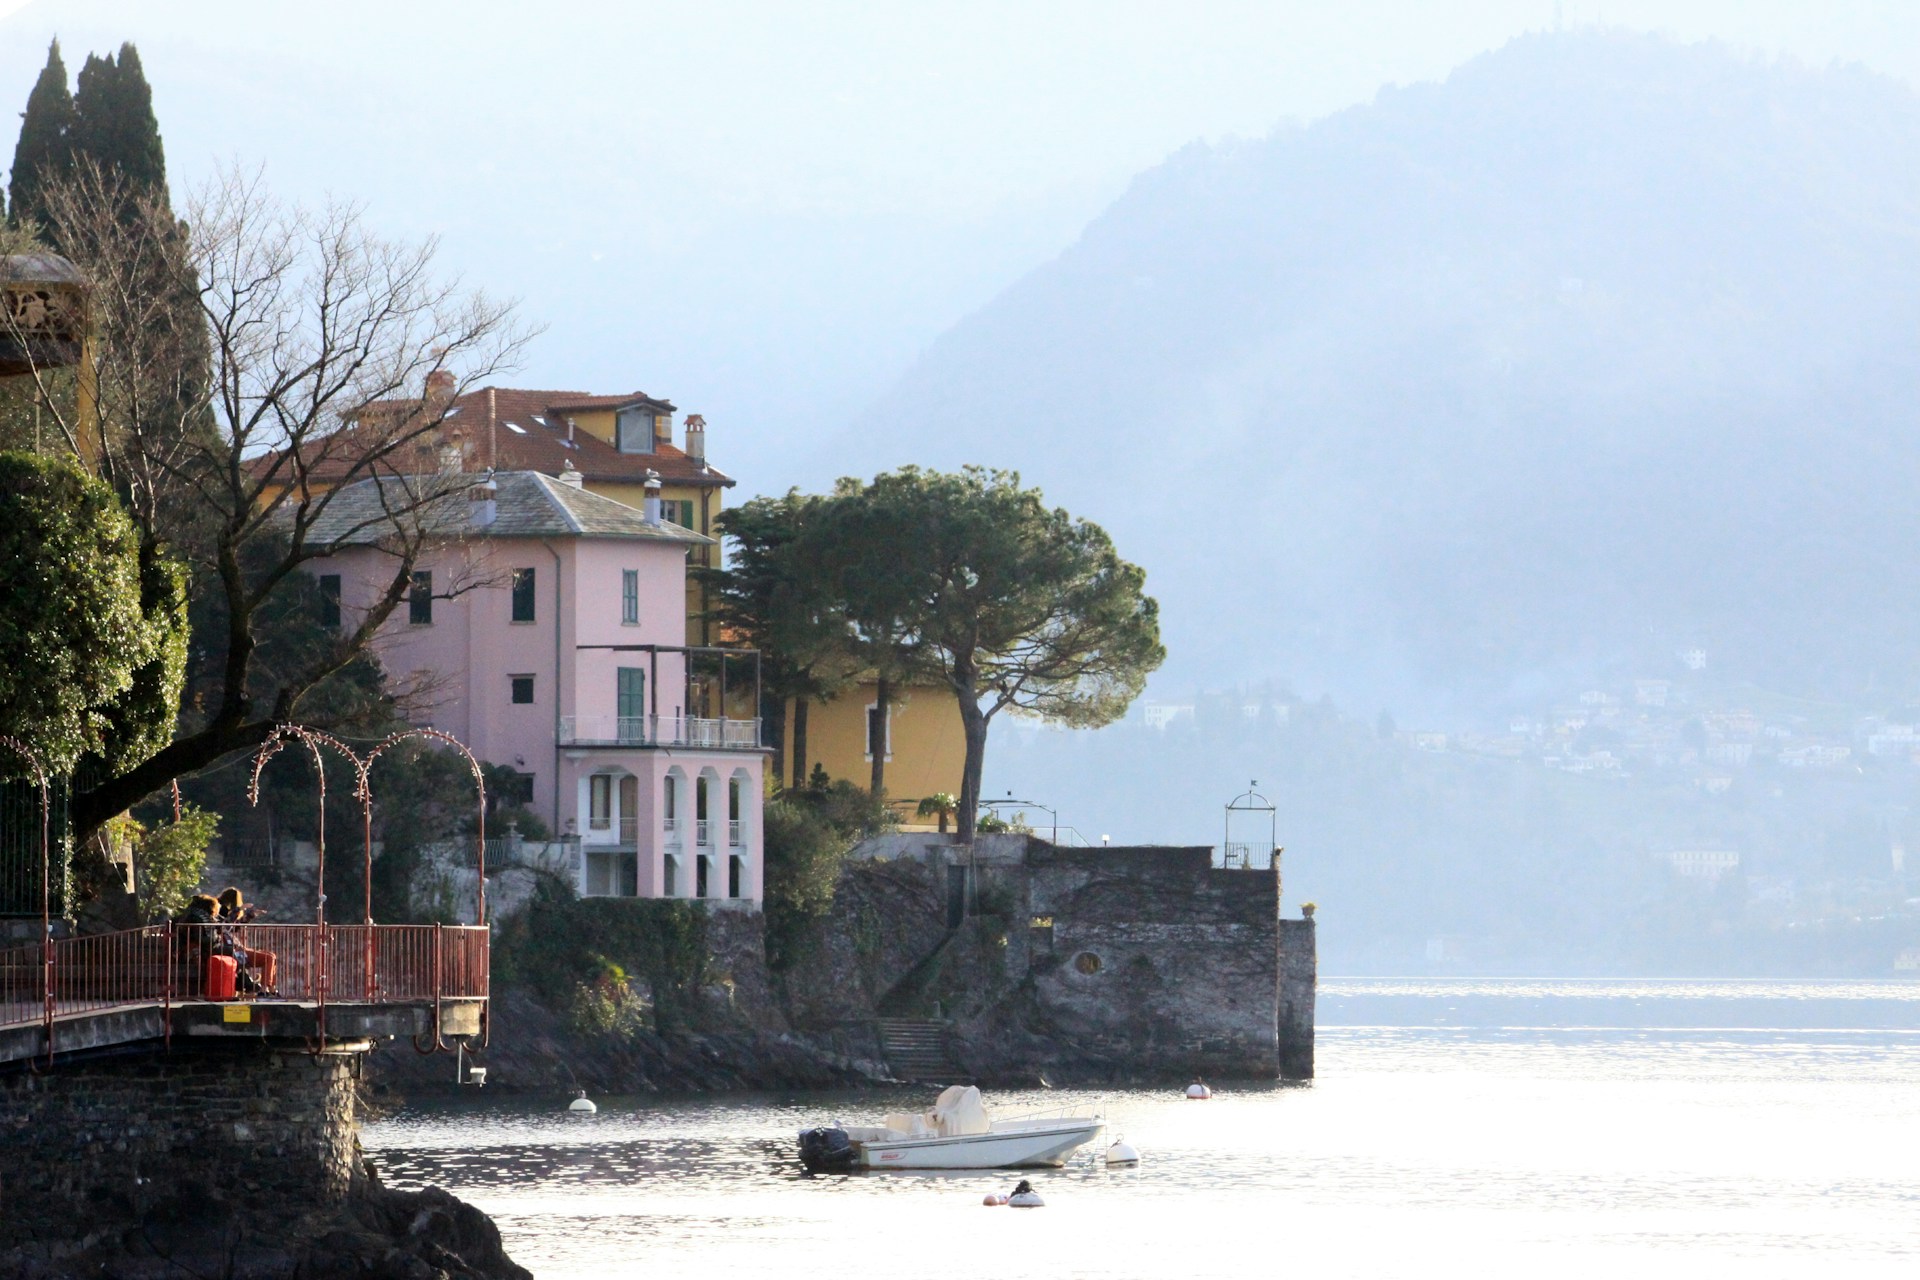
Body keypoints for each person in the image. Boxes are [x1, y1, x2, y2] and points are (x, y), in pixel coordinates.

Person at [215, 887, 277, 995]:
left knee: (271, 955)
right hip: (234, 950)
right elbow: (226, 925)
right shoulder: (220, 912)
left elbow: (234, 926)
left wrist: (250, 915)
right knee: (269, 958)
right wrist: (238, 909)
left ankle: (271, 988)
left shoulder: (221, 911)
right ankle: (264, 990)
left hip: (236, 947)